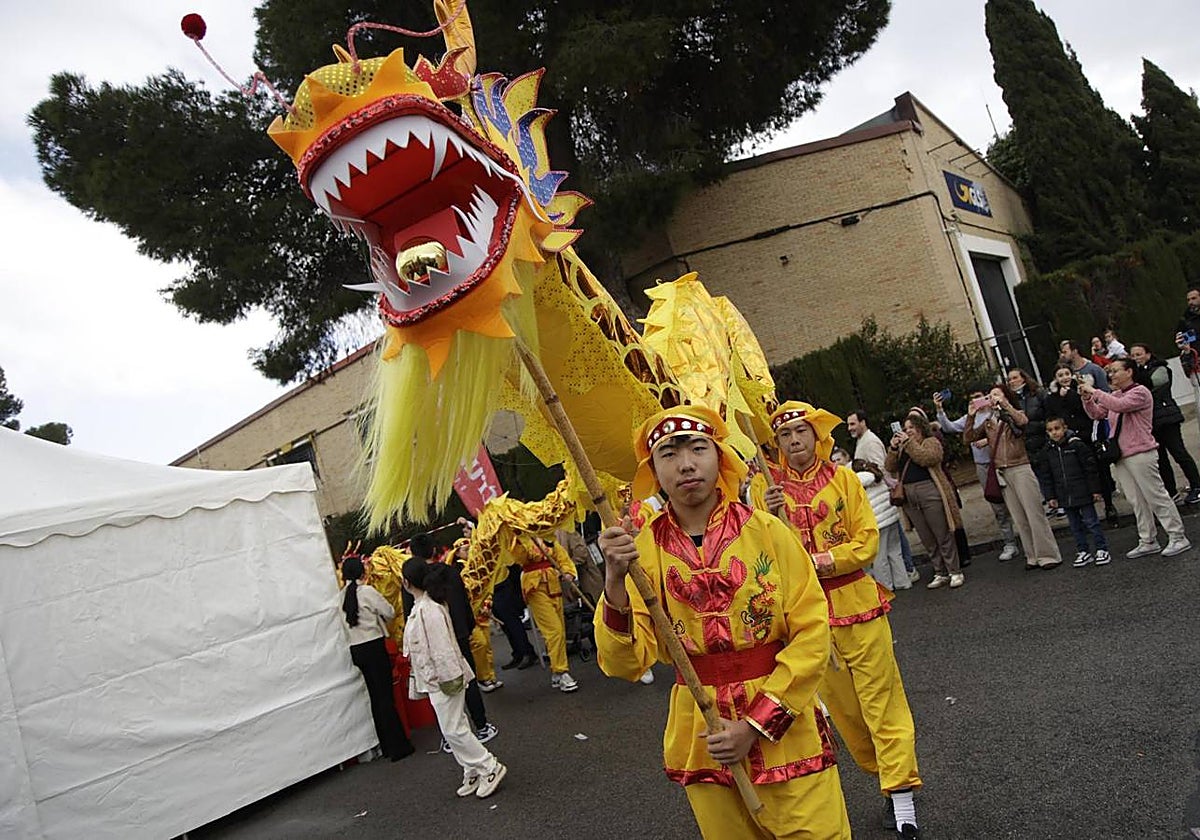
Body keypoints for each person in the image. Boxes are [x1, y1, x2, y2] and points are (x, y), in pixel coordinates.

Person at [596, 405, 853, 839]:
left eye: (698, 449)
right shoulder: (642, 553)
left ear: (720, 457)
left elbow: (812, 634)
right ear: (654, 474)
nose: (686, 464)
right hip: (703, 737)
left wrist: (755, 725)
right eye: (669, 455)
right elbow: (626, 663)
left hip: (783, 726)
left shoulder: (768, 532)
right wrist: (615, 581)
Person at [756, 400, 923, 837]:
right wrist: (766, 516)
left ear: (817, 435)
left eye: (801, 433)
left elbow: (866, 541)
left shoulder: (844, 479)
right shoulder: (765, 493)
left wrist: (821, 561)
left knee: (881, 699)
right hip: (809, 623)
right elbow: (761, 560)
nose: (794, 442)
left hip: (857, 604)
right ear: (775, 445)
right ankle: (884, 781)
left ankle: (903, 798)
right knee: (846, 714)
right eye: (785, 437)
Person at [402, 556, 507, 799]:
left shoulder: (429, 609)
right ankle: (472, 769)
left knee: (453, 730)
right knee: (454, 726)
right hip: (438, 678)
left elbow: (443, 649)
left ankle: (489, 766)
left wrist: (448, 679)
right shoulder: (425, 607)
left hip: (443, 678)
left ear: (407, 582)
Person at [1081, 360, 1193, 558]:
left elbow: (1121, 406)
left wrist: (1096, 392)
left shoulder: (1140, 392)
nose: (1112, 375)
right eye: (1110, 372)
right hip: (1121, 455)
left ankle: (1177, 536)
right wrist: (1088, 399)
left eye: (1115, 371)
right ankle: (1147, 539)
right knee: (1136, 501)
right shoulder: (1115, 394)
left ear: (1129, 372)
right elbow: (1098, 414)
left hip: (1141, 452)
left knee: (1156, 496)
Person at [404, 533, 497, 745]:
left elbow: (410, 613)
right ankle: (481, 726)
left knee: (442, 689)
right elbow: (463, 602)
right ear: (435, 550)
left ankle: (451, 736)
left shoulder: (411, 579)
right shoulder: (449, 572)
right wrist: (467, 626)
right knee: (467, 679)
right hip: (458, 634)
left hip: (432, 643)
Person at [964, 384, 1064, 571]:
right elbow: (968, 438)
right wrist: (971, 415)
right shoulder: (988, 421)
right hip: (1002, 471)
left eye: (996, 394)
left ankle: (1048, 554)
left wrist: (1005, 406)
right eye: (990, 395)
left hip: (1020, 466)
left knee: (1034, 513)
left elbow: (1023, 421)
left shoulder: (1011, 413)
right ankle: (1032, 555)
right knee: (1019, 517)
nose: (992, 398)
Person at [339, 555, 415, 762]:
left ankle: (386, 744)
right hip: (373, 645)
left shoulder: (340, 597)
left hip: (356, 649)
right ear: (362, 572)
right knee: (385, 696)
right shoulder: (367, 592)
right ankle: (398, 745)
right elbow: (389, 612)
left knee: (375, 696)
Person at [934, 388, 1019, 562]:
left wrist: (987, 440)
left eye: (980, 397)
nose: (977, 401)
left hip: (1003, 461)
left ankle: (1026, 536)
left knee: (1016, 500)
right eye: (972, 398)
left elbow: (1013, 428)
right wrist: (940, 410)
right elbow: (948, 427)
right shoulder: (969, 418)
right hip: (983, 466)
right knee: (997, 505)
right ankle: (1010, 542)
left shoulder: (997, 412)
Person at [885, 411, 963, 588]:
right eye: (905, 428)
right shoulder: (902, 446)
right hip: (909, 495)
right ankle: (940, 571)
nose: (908, 431)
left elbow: (927, 458)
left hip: (929, 491)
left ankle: (954, 571)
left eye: (911, 427)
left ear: (920, 427)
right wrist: (894, 448)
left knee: (941, 533)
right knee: (926, 537)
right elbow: (889, 466)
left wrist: (908, 442)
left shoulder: (931, 442)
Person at [1044, 364, 1120, 525]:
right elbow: (1054, 416)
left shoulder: (1082, 389)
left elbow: (1086, 409)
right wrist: (1061, 397)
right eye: (1060, 375)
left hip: (1088, 436)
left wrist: (1071, 395)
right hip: (1068, 440)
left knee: (1100, 471)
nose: (1064, 377)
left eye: (1066, 374)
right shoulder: (1052, 397)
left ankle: (1109, 505)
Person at [1128, 343, 1200, 505]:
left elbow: (1153, 387)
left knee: (1179, 453)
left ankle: (1197, 485)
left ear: (1148, 354)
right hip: (1150, 422)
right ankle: (1171, 491)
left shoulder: (1160, 368)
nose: (1136, 358)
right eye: (1133, 356)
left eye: (1139, 354)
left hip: (1167, 418)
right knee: (1161, 459)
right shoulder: (1135, 373)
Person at [510, 533, 581, 692]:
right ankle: (562, 672)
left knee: (559, 631)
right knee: (554, 631)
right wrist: (520, 538)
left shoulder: (548, 537)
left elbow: (561, 556)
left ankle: (556, 672)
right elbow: (519, 558)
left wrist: (568, 571)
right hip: (535, 587)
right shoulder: (520, 539)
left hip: (553, 584)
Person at [1043, 417, 1110, 568]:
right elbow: (1047, 476)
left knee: (1091, 522)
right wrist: (1051, 496)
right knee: (1074, 526)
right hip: (1064, 494)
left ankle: (1101, 548)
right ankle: (1083, 550)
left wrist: (1095, 490)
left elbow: (1090, 469)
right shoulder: (1049, 451)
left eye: (1057, 428)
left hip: (1083, 491)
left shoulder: (1077, 445)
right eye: (1050, 430)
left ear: (1064, 428)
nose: (1054, 433)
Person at [854, 458, 910, 591]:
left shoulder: (858, 480)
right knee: (895, 551)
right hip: (891, 518)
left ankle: (886, 586)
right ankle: (903, 581)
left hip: (878, 522)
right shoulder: (878, 475)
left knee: (880, 557)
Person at [1005, 368, 1055, 512]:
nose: (1012, 382)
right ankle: (1048, 501)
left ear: (1023, 378)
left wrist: (1040, 427)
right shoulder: (1011, 401)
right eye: (1009, 379)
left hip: (1042, 437)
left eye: (1014, 378)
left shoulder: (1038, 394)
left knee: (1050, 471)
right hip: (1027, 441)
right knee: (1038, 474)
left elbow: (1048, 413)